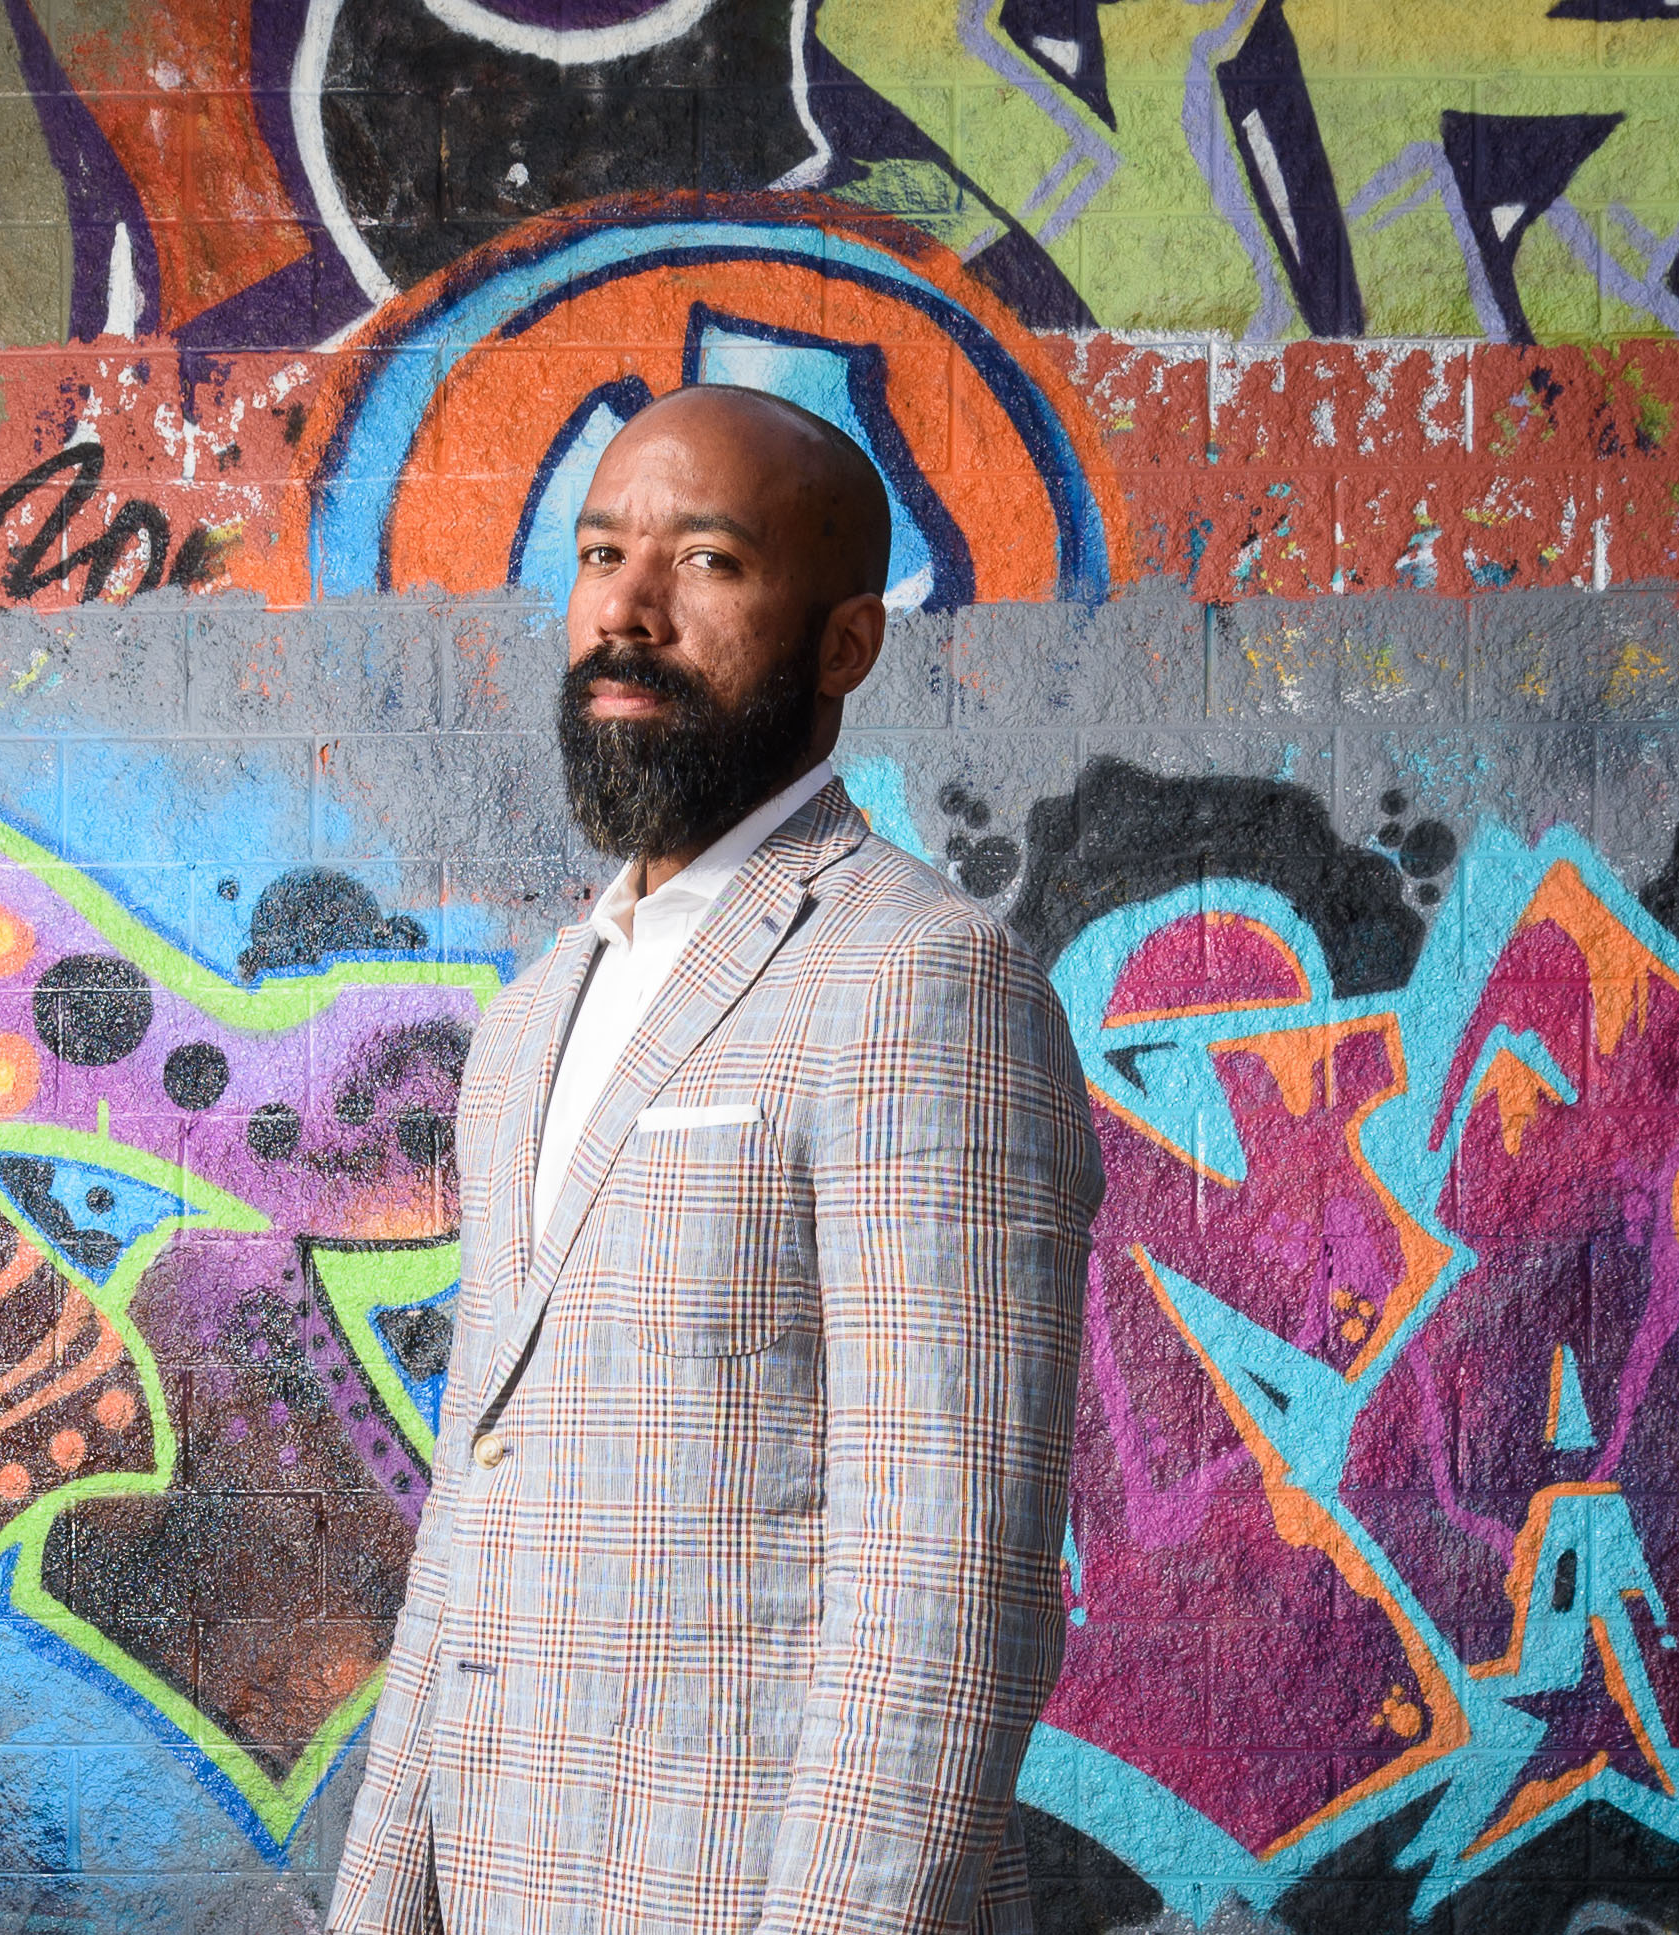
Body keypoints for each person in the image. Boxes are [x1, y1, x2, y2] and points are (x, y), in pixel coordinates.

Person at [327, 383, 1104, 1935]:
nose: (629, 608)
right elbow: (474, 1530)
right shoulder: (534, 1018)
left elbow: (946, 1597)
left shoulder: (916, 978)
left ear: (845, 646)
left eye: (708, 564)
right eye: (603, 552)